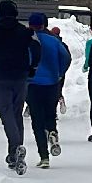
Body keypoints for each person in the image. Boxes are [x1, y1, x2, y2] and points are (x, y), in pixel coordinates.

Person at [0, 0, 41, 174]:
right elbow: (37, 48)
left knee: (5, 113)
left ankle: (17, 147)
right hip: (20, 77)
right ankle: (14, 154)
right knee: (16, 113)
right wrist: (32, 67)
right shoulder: (25, 31)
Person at [25, 13, 72, 169]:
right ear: (44, 25)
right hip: (52, 82)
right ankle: (52, 131)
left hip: (32, 83)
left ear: (30, 25)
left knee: (37, 119)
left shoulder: (27, 41)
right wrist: (59, 73)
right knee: (50, 113)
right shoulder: (54, 40)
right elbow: (66, 57)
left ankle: (44, 156)